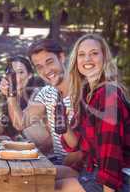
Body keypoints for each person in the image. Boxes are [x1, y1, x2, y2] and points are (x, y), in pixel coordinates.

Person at [57, 34, 130, 192]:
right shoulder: (87, 94)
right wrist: (62, 120)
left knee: (49, 188)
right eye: (81, 54)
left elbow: (111, 152)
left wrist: (108, 189)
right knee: (42, 178)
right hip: (93, 169)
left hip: (120, 177)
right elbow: (76, 144)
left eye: (94, 53)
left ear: (105, 58)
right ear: (76, 61)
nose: (87, 59)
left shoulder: (108, 94)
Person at [4, 39, 83, 179]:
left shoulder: (83, 91)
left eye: (49, 62)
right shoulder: (47, 93)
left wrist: (49, 169)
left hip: (82, 169)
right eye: (39, 66)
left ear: (61, 57)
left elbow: (81, 152)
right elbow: (20, 123)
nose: (46, 70)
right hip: (59, 164)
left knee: (23, 178)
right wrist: (11, 94)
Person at [0, 56, 47, 142]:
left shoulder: (38, 95)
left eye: (20, 72)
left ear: (29, 75)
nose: (15, 77)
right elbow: (2, 131)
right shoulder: (10, 97)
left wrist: (10, 96)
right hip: (22, 151)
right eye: (12, 73)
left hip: (45, 153)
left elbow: (20, 124)